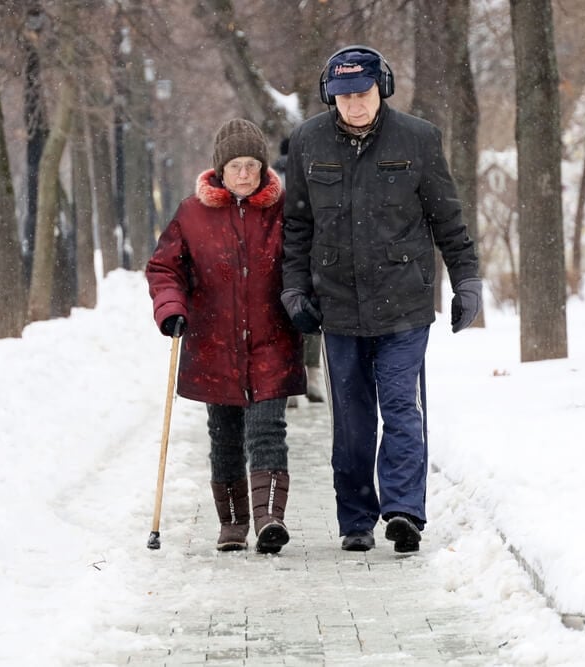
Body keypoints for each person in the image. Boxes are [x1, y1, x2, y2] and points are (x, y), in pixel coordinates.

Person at [281, 46, 482, 553]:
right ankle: (355, 519)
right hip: (338, 306)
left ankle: (403, 511)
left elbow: (448, 221)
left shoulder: (417, 138)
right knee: (351, 420)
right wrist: (294, 288)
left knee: (400, 407)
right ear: (332, 96)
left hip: (404, 304)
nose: (355, 105)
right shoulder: (308, 141)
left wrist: (467, 282)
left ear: (382, 88)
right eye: (344, 96)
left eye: (363, 93)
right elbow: (298, 227)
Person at [147, 118, 306, 554]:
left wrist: (305, 301)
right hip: (214, 344)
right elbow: (165, 268)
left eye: (251, 164)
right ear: (220, 168)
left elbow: (304, 259)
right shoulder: (192, 214)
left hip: (271, 339)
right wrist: (172, 307)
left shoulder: (284, 210)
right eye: (235, 164)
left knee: (268, 428)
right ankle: (233, 524)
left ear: (262, 167)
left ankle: (269, 518)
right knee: (225, 433)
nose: (243, 173)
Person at [273, 137, 325, 408]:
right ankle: (313, 377)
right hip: (308, 250)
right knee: (310, 314)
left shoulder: (271, 175)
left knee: (288, 316)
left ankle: (291, 383)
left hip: (280, 253)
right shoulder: (311, 172)